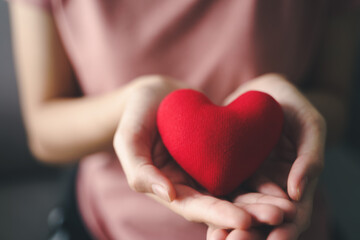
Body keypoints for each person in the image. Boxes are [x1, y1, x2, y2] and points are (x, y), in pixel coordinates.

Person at [8, 0, 359, 239]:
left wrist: (292, 114)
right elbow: (42, 130)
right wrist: (132, 105)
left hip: (280, 219)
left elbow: (336, 102)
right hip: (107, 227)